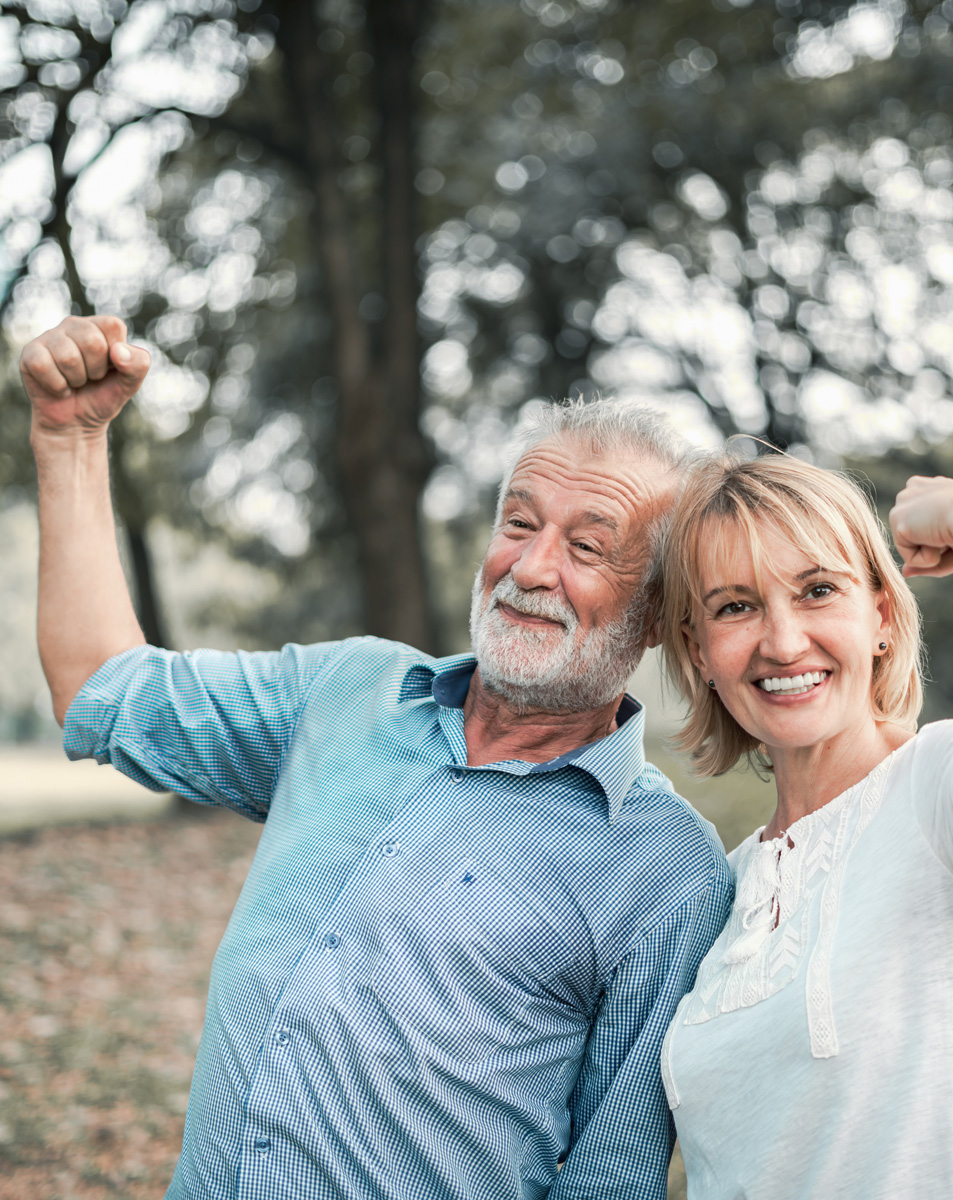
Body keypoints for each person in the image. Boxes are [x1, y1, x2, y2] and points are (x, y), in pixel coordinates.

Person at [21, 314, 735, 1200]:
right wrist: (71, 439)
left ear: (659, 612)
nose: (532, 568)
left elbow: (607, 1179)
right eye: (519, 523)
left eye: (588, 547)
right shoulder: (347, 692)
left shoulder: (668, 871)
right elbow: (102, 686)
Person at [655, 452, 953, 1199]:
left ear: (881, 617)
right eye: (735, 606)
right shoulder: (720, 887)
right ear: (700, 651)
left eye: (818, 590)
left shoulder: (943, 790)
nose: (783, 642)